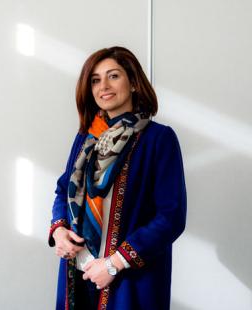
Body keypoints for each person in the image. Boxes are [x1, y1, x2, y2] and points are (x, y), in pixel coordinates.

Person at [48, 46, 187, 310]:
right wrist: (60, 230)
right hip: (78, 271)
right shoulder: (85, 138)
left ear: (133, 82)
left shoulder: (158, 139)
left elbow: (171, 216)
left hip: (129, 279)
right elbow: (63, 189)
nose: (104, 86)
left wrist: (114, 263)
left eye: (113, 76)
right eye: (96, 80)